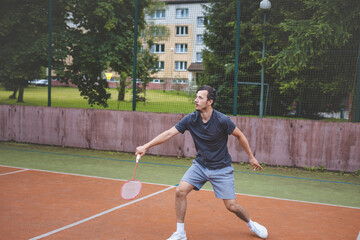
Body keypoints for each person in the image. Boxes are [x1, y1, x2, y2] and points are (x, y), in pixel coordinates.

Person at [135, 85, 268, 240]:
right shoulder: (191, 119)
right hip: (200, 165)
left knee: (231, 206)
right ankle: (180, 233)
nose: (196, 100)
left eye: (200, 97)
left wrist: (251, 157)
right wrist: (146, 146)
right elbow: (170, 133)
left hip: (221, 168)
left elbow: (240, 136)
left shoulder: (222, 120)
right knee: (180, 191)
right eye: (196, 96)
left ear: (209, 101)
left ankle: (251, 224)